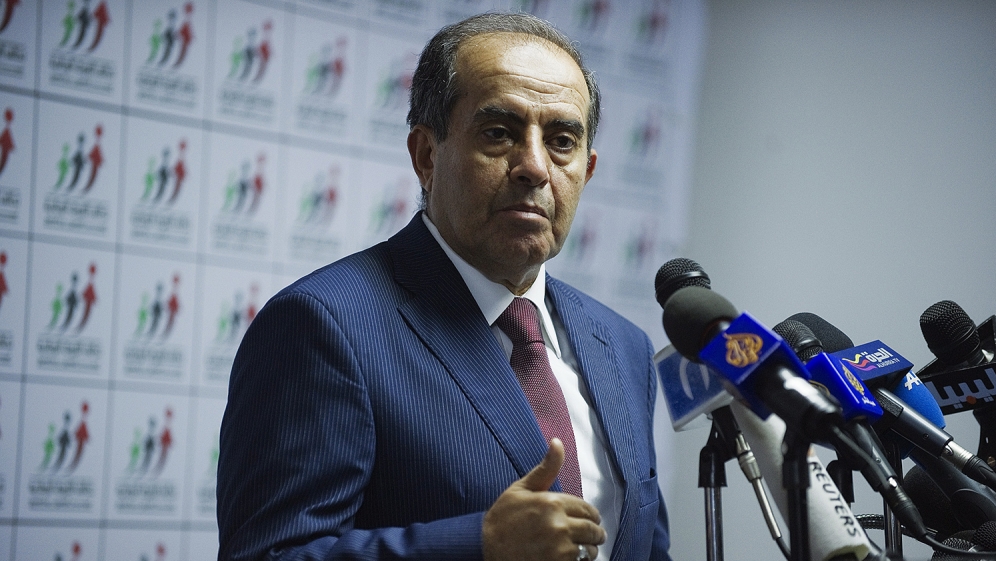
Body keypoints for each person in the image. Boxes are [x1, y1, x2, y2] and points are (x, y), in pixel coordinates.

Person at [217, 12, 671, 561]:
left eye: (561, 141)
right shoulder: (323, 326)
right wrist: (478, 545)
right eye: (499, 134)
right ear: (426, 155)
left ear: (587, 170)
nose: (533, 166)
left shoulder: (622, 346)